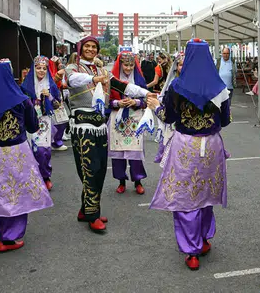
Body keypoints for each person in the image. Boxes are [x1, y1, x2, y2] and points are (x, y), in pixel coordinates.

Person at [149, 39, 231, 271]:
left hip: (186, 146)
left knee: (186, 197)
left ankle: (191, 249)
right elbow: (225, 120)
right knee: (205, 193)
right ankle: (204, 239)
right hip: (212, 146)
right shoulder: (220, 86)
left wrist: (155, 105)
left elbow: (168, 117)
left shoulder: (177, 86)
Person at [66, 36, 152, 233]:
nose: (90, 49)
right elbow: (72, 81)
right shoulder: (74, 69)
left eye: (93, 47)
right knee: (90, 169)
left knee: (100, 169)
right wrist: (94, 79)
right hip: (82, 125)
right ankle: (93, 214)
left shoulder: (104, 72)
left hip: (100, 126)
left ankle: (85, 210)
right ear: (80, 49)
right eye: (87, 46)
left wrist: (145, 94)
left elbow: (124, 87)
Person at [0, 59, 54, 252]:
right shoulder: (21, 100)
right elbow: (34, 126)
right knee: (17, 193)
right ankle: (9, 238)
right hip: (17, 152)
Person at [108, 52, 149, 195]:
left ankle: (138, 181)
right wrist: (117, 102)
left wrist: (136, 102)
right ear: (120, 64)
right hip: (117, 117)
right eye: (126, 65)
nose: (128, 68)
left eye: (131, 65)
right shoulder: (112, 80)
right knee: (118, 152)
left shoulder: (139, 80)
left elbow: (147, 100)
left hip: (134, 117)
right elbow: (106, 101)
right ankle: (121, 181)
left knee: (135, 151)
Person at [20, 56, 61, 190]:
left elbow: (57, 104)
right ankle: (30, 178)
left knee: (43, 150)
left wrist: (49, 96)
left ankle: (45, 176)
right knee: (29, 150)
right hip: (29, 120)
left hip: (45, 121)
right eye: (38, 68)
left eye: (44, 68)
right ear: (34, 69)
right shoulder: (25, 85)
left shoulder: (51, 85)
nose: (41, 71)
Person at [47, 56, 70, 151]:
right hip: (49, 100)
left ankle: (56, 140)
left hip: (57, 98)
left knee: (62, 120)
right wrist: (57, 76)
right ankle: (54, 141)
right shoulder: (49, 73)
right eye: (57, 63)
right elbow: (50, 83)